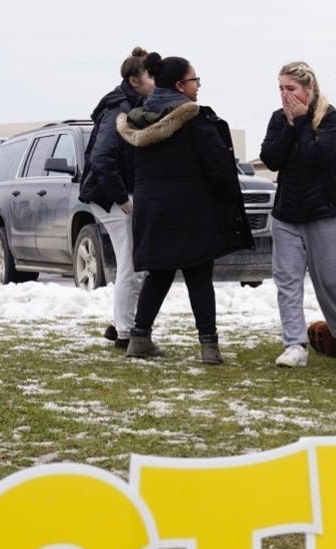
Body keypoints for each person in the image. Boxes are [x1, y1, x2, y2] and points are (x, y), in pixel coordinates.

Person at [116, 52, 252, 363]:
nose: (198, 86)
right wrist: (228, 198)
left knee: (159, 274)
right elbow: (218, 165)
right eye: (195, 80)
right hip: (192, 210)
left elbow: (126, 167)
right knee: (199, 275)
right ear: (180, 85)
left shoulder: (137, 120)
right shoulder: (194, 118)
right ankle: (209, 346)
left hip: (153, 211)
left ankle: (139, 338)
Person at [259, 61, 336, 367]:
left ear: (309, 89)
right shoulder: (279, 120)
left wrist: (303, 122)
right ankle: (294, 345)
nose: (284, 95)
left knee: (332, 280)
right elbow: (271, 159)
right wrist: (291, 126)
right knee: (287, 281)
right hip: (287, 214)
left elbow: (317, 157)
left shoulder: (330, 117)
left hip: (324, 211)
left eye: (290, 88)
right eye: (280, 88)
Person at [79, 46, 154, 350]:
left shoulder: (133, 102)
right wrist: (122, 197)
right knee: (131, 262)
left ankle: (122, 322)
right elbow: (102, 158)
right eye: (150, 75)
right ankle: (125, 331)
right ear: (135, 79)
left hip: (114, 192)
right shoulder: (120, 108)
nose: (155, 80)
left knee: (134, 261)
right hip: (110, 196)